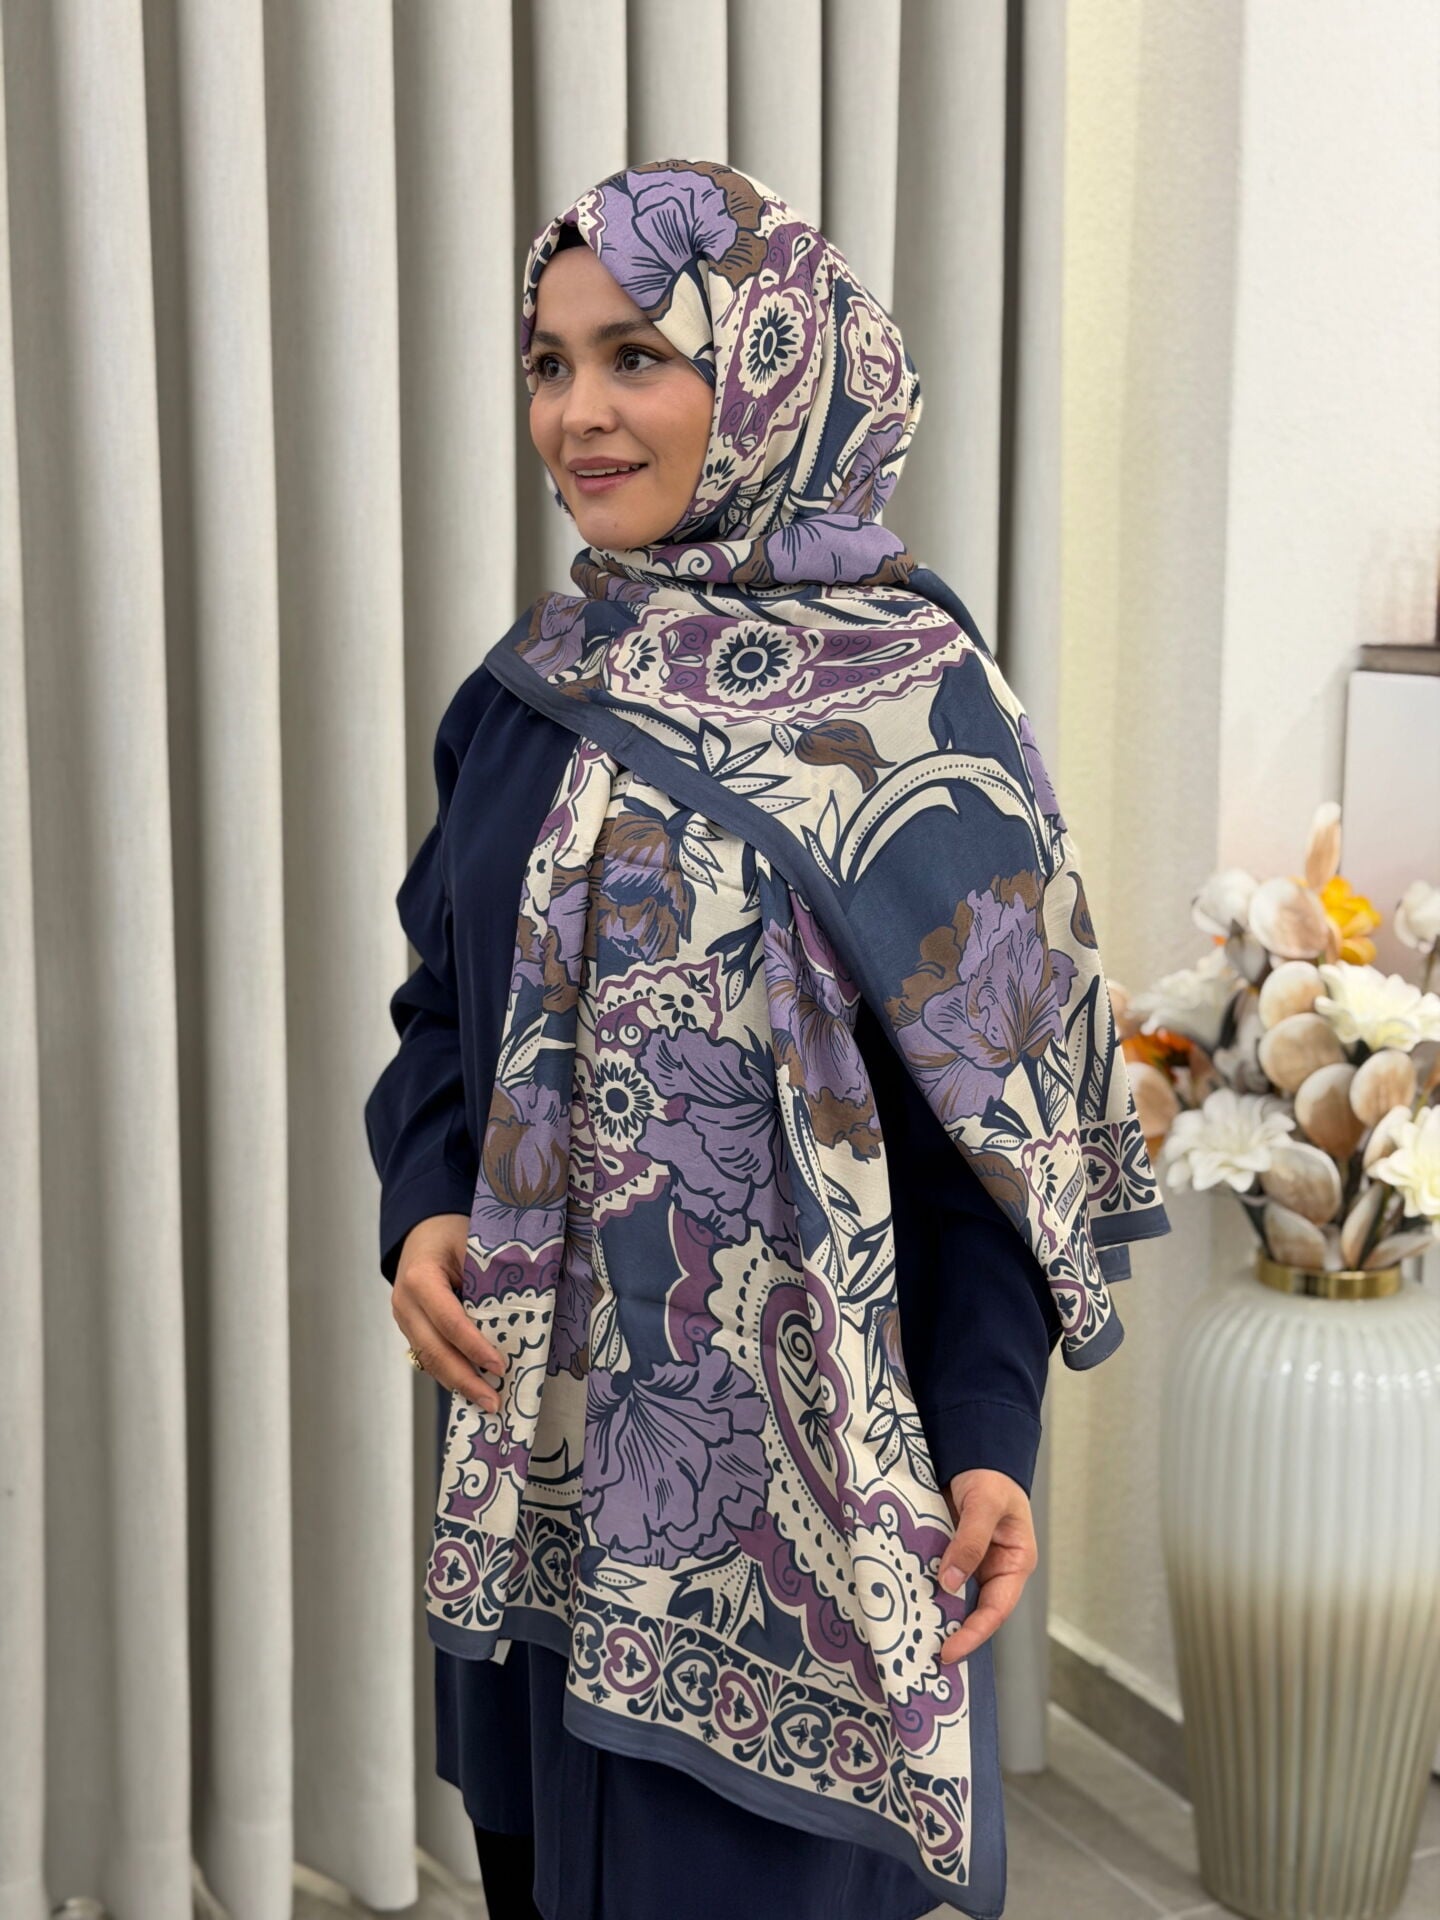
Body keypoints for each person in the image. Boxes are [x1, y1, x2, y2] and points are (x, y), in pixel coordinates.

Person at [365, 159, 1167, 1920]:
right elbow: (444, 1010)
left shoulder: (921, 712)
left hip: (799, 1533)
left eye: (636, 355)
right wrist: (422, 1205)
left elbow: (995, 1135)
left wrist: (986, 1430)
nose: (576, 413)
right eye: (549, 361)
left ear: (774, 372)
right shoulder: (530, 693)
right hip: (538, 1471)